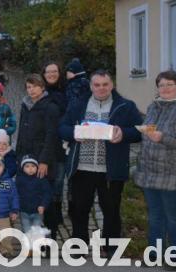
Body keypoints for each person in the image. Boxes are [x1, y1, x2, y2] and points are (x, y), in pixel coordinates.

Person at [58, 70, 143, 257]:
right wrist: (74, 133)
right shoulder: (78, 104)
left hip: (110, 169)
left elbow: (138, 131)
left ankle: (110, 247)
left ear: (111, 85)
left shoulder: (125, 106)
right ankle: (79, 245)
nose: (101, 88)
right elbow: (62, 127)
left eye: (105, 84)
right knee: (79, 209)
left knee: (111, 209)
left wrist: (123, 134)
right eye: (97, 85)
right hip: (82, 167)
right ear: (91, 86)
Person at [133, 70, 176, 271]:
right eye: (161, 85)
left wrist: (163, 138)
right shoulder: (154, 106)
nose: (165, 88)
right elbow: (148, 131)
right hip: (151, 172)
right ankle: (154, 252)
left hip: (175, 174)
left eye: (170, 84)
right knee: (155, 215)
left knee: (174, 215)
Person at [40, 61, 67, 241]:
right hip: (44, 144)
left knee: (58, 183)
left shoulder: (65, 92)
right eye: (48, 71)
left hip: (61, 144)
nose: (51, 74)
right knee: (46, 183)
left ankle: (55, 218)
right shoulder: (40, 93)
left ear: (59, 73)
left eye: (54, 71)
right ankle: (47, 218)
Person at [16, 74, 60, 182]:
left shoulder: (51, 107)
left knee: (41, 190)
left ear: (42, 87)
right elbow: (21, 132)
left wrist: (44, 161)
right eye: (29, 87)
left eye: (35, 86)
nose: (31, 90)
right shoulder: (25, 106)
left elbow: (51, 135)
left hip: (41, 157)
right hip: (25, 156)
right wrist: (18, 155)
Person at [15, 155, 51, 232]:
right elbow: (15, 194)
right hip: (24, 211)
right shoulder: (19, 179)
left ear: (37, 167)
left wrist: (43, 205)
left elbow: (47, 193)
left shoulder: (41, 179)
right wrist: (15, 208)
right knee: (27, 230)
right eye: (27, 166)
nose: (30, 169)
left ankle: (36, 243)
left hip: (37, 211)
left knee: (36, 231)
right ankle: (28, 243)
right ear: (22, 168)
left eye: (33, 166)